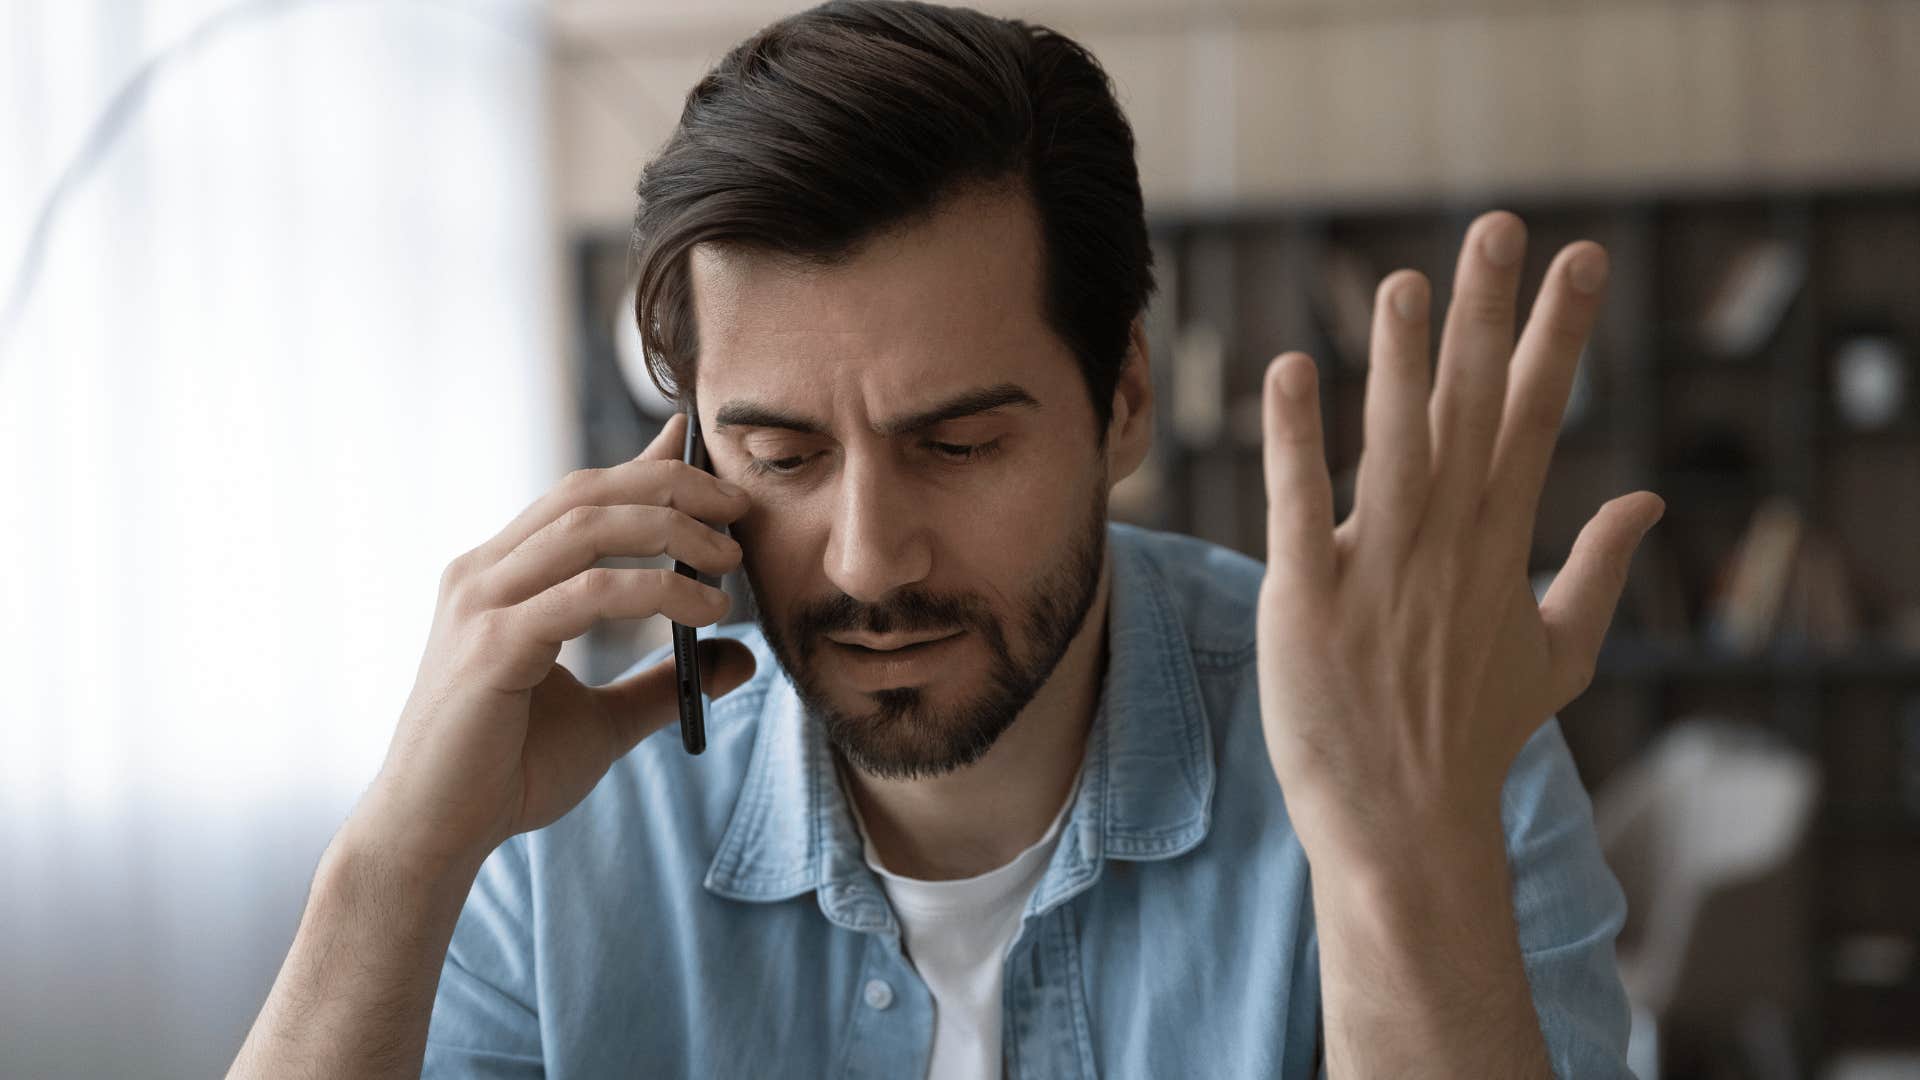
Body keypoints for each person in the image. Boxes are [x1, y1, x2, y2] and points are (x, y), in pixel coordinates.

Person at [228, 2, 1663, 1077]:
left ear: (1123, 405)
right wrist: (397, 867)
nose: (866, 559)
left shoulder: (1413, 753)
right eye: (780, 453)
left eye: (960, 444)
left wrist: (1395, 872)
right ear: (687, 454)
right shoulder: (561, 829)